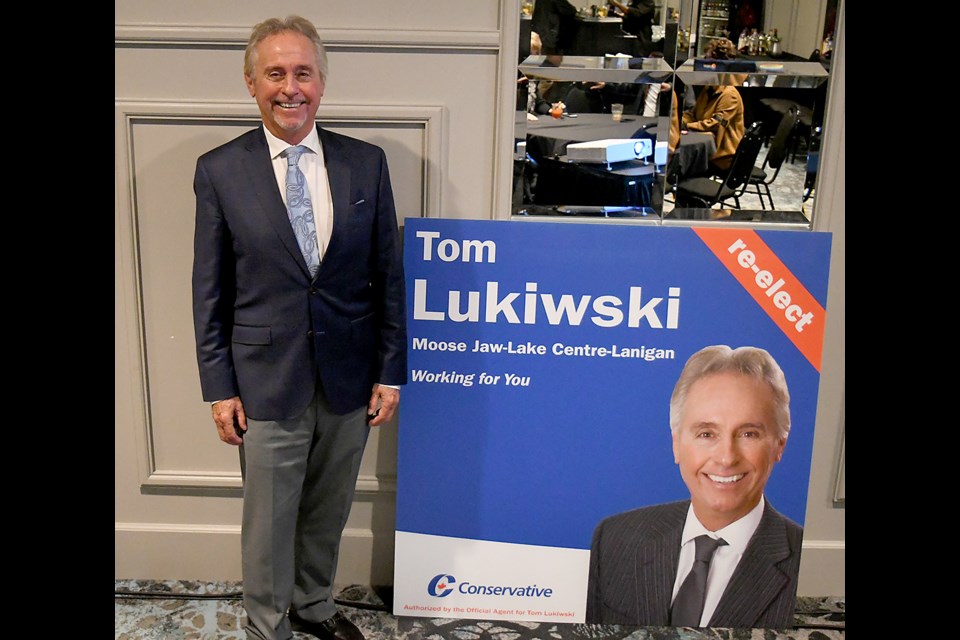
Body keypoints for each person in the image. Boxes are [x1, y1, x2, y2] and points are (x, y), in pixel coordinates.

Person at [191, 15, 407, 640]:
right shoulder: (220, 170)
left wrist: (390, 371)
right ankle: (267, 624)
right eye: (275, 74)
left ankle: (313, 606)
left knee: (326, 509)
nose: (291, 88)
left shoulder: (365, 164)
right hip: (264, 379)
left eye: (303, 73)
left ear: (321, 82)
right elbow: (209, 289)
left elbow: (386, 275)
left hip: (349, 373)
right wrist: (218, 387)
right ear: (251, 83)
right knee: (268, 518)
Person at [586, 345, 802, 629]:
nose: (726, 457)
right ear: (677, 444)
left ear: (779, 446)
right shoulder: (615, 539)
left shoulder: (805, 563)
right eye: (706, 433)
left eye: (749, 433)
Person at [680, 38, 745, 174]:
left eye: (707, 59)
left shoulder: (729, 95)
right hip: (706, 147)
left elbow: (715, 124)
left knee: (679, 162)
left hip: (721, 158)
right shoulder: (709, 88)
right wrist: (680, 121)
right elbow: (693, 114)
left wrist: (687, 126)